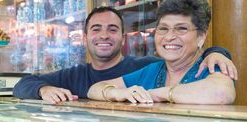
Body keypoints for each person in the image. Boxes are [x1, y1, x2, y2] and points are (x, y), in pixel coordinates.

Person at [13, 6, 237, 104]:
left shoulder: (144, 65)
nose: (104, 36)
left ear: (123, 38)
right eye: (96, 29)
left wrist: (216, 52)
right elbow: (22, 84)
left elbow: (219, 90)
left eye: (112, 29)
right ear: (84, 38)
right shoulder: (74, 74)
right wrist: (43, 89)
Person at [87, 0, 235, 105]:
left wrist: (159, 93)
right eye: (163, 29)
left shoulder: (210, 65)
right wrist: (117, 93)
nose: (169, 37)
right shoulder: (152, 70)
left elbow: (221, 93)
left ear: (201, 37)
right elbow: (94, 89)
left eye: (181, 28)